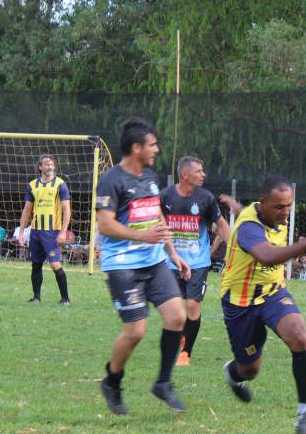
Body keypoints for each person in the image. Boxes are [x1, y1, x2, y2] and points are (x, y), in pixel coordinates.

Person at [220, 176, 306, 434]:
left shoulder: (268, 214)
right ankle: (233, 374)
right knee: (249, 369)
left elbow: (253, 216)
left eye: (289, 206)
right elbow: (265, 254)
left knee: (300, 336)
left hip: (273, 293)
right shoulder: (249, 228)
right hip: (241, 302)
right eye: (279, 207)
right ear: (263, 203)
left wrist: (236, 207)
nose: (285, 212)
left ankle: (304, 413)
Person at [96, 117, 192, 416]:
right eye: (152, 145)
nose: (157, 149)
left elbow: (157, 216)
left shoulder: (149, 177)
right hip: (122, 265)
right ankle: (112, 380)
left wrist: (172, 252)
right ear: (136, 148)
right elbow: (105, 224)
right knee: (136, 331)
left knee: (177, 316)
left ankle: (163, 383)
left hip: (155, 261)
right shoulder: (112, 180)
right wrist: (142, 236)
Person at [161, 156, 231, 366]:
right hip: (170, 262)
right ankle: (182, 334)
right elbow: (161, 228)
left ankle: (186, 353)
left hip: (198, 263)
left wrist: (235, 253)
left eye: (203, 171)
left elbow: (222, 225)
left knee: (192, 305)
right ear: (185, 175)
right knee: (175, 309)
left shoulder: (206, 198)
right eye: (199, 171)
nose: (203, 174)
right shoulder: (165, 197)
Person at [18, 155, 72, 304]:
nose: (50, 167)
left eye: (52, 164)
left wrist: (63, 232)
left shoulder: (60, 185)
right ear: (40, 167)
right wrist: (22, 232)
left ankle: (65, 298)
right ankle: (36, 297)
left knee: (55, 264)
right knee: (36, 264)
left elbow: (67, 209)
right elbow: (27, 210)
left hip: (52, 232)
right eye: (46, 164)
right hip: (36, 231)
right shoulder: (32, 185)